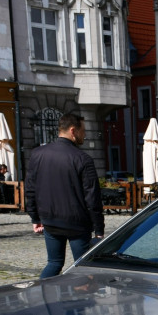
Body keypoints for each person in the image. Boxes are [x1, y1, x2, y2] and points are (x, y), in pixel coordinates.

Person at [25, 112, 105, 278]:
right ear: (73, 131)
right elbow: (92, 197)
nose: (85, 135)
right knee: (83, 268)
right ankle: (84, 302)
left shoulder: (37, 154)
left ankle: (45, 298)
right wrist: (99, 229)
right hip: (77, 223)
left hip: (50, 220)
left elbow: (30, 189)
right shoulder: (83, 159)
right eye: (83, 131)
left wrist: (35, 218)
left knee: (53, 263)